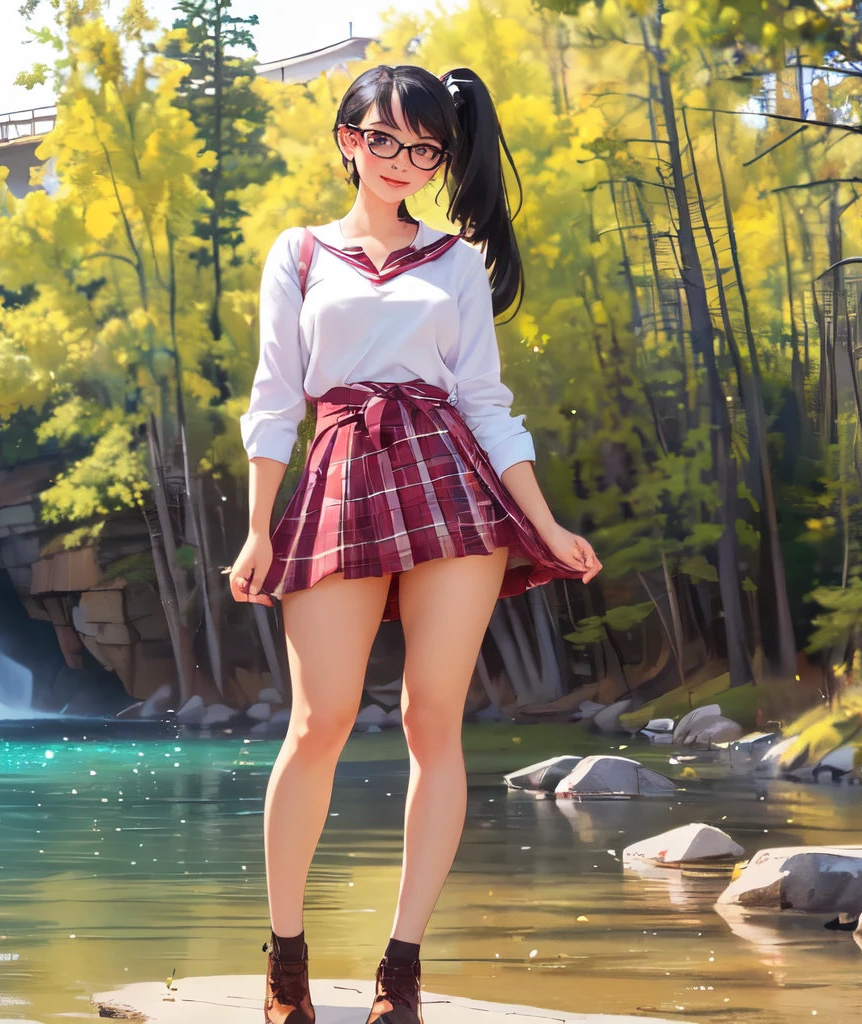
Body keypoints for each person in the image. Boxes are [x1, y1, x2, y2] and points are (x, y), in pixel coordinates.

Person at [228, 64, 603, 1024]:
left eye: (425, 148)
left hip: (449, 484)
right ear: (349, 139)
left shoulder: (457, 261)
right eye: (385, 140)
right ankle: (288, 961)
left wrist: (547, 522)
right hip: (341, 476)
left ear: (441, 156)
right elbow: (276, 398)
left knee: (433, 723)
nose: (404, 162)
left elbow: (485, 400)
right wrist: (256, 527)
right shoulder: (301, 253)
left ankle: (401, 972)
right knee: (319, 723)